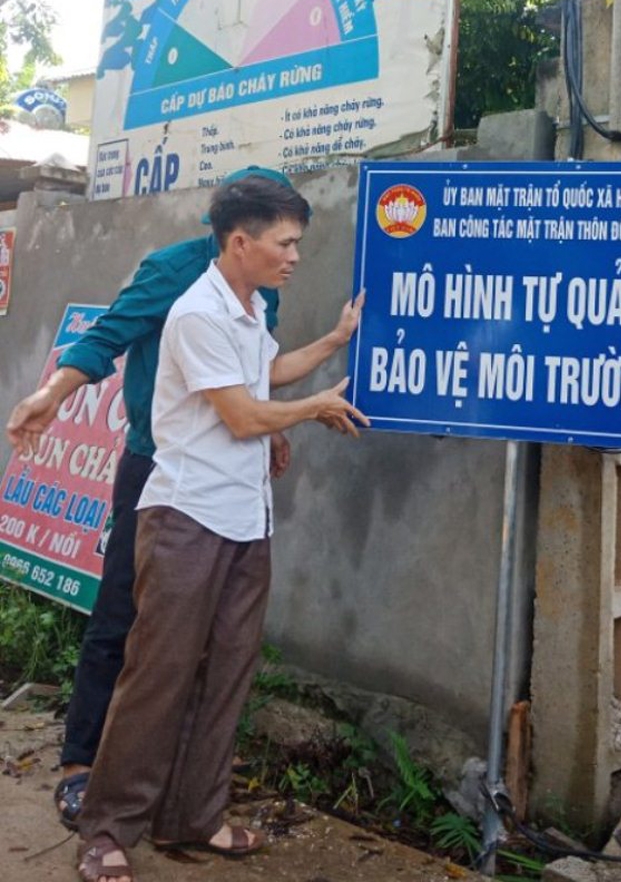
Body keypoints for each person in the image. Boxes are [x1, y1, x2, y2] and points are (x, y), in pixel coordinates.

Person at [4, 165, 362, 831]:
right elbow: (108, 337)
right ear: (237, 236)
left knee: (207, 650)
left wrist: (276, 418)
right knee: (123, 621)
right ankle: (83, 768)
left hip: (232, 476)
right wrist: (51, 394)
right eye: (283, 240)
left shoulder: (258, 295)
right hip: (158, 463)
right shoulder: (177, 278)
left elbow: (253, 376)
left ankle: (179, 800)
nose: (294, 255)